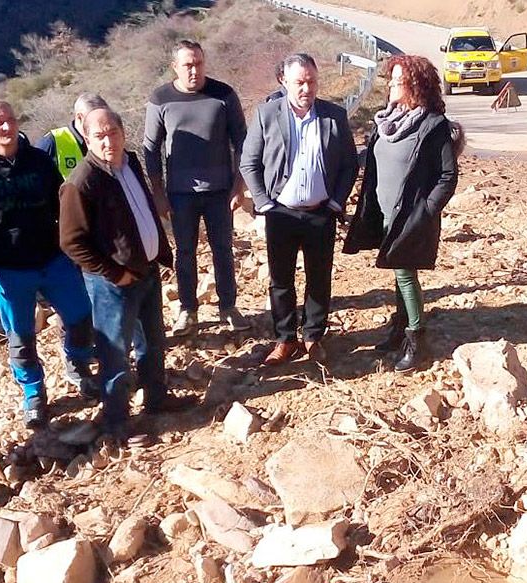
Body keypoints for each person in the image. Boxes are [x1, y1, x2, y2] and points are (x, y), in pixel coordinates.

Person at [0, 100, 96, 426]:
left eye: (9, 120)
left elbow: (62, 205)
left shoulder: (38, 160)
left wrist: (75, 244)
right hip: (9, 269)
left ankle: (79, 368)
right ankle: (34, 392)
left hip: (53, 258)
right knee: (20, 335)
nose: (5, 127)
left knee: (79, 316)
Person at [60, 108, 193, 441]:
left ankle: (156, 398)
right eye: (100, 136)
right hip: (112, 284)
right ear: (87, 139)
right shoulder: (81, 182)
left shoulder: (130, 163)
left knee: (152, 340)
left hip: (146, 271)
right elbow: (71, 242)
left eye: (113, 132)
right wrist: (113, 273)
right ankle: (116, 421)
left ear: (123, 132)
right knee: (114, 351)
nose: (109, 141)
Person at [344, 55, 462, 372]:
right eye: (391, 80)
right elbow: (370, 159)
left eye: (398, 81)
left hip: (411, 215)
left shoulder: (433, 125)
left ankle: (417, 341)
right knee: (398, 270)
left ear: (415, 85)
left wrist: (427, 210)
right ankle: (399, 331)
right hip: (384, 211)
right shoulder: (388, 121)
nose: (392, 86)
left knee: (405, 275)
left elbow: (447, 176)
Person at [240, 53, 359, 365]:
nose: (306, 88)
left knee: (319, 278)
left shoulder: (334, 115)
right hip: (281, 212)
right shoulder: (267, 114)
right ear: (284, 81)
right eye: (300, 82)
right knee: (281, 280)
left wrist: (336, 201)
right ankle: (285, 339)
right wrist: (264, 203)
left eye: (311, 81)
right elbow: (249, 162)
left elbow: (349, 163)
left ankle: (314, 337)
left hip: (321, 212)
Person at [144, 40, 250, 335]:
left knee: (223, 250)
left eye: (199, 63)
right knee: (185, 253)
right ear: (175, 67)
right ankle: (188, 310)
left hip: (220, 191)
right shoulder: (160, 99)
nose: (194, 70)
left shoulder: (224, 95)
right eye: (188, 65)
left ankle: (229, 306)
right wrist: (158, 192)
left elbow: (241, 141)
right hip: (180, 194)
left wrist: (238, 186)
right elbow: (150, 148)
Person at [35, 93, 110, 179]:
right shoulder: (52, 142)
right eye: (94, 120)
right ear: (79, 118)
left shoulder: (107, 140)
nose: (99, 126)